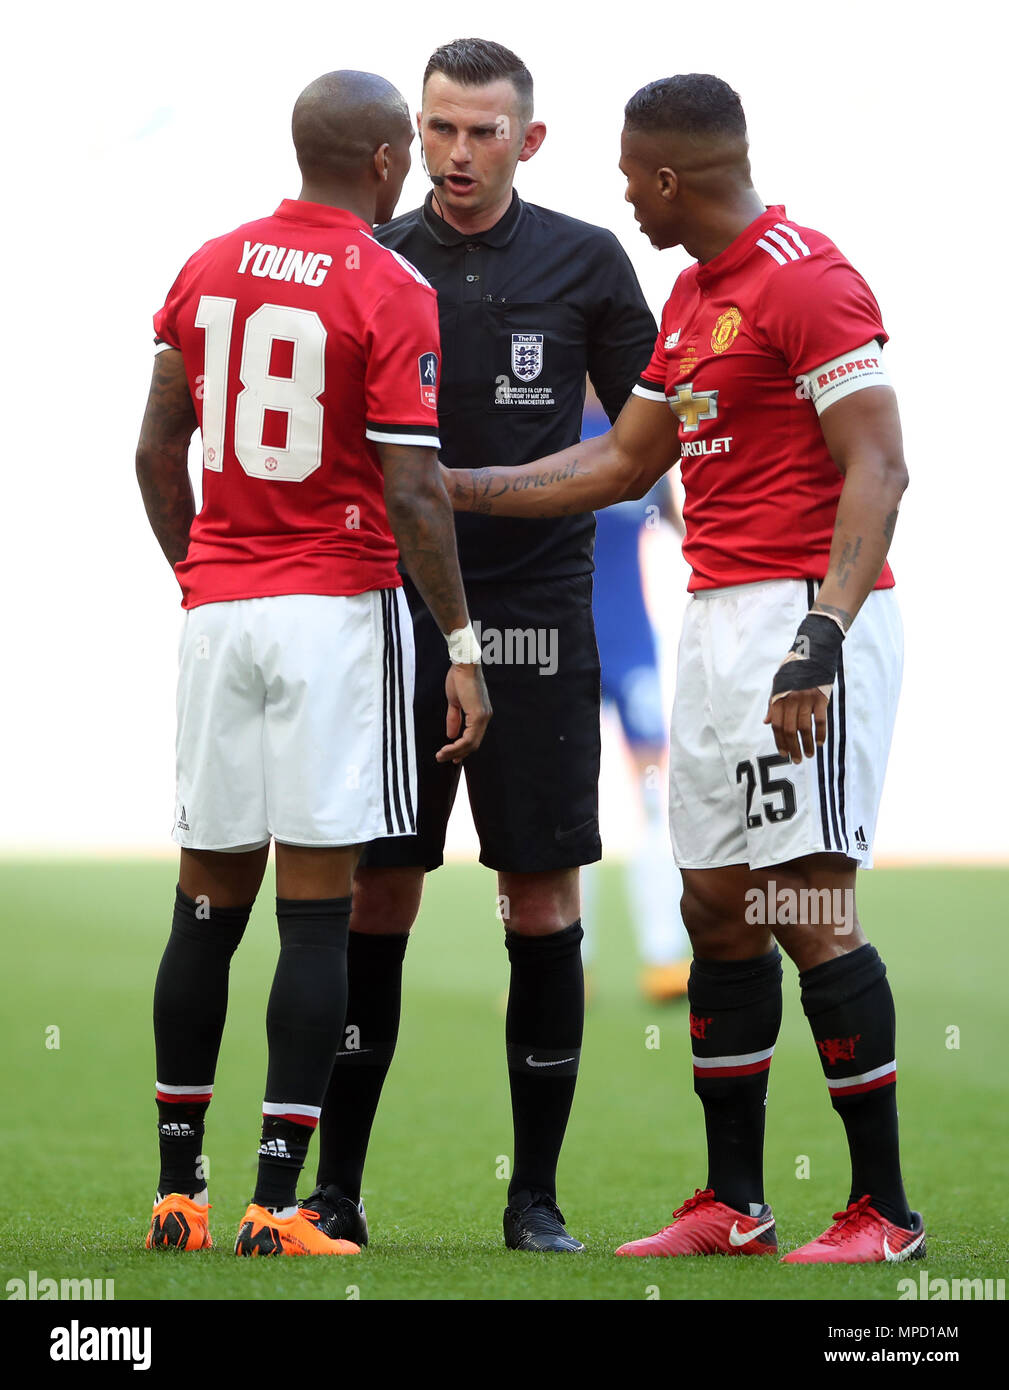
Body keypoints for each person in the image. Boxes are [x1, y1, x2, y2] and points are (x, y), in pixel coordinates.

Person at [444, 73, 922, 1264]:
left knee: (806, 903)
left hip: (798, 623)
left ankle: (884, 1213)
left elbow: (879, 465)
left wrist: (821, 632)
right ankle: (735, 1203)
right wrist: (446, 487)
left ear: (669, 177)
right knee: (716, 906)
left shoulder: (807, 277)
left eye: (626, 172)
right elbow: (616, 463)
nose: (617, 191)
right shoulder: (695, 294)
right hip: (711, 619)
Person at [303, 38, 657, 1254]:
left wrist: (486, 489)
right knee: (376, 891)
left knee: (539, 895)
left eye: (482, 133)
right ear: (412, 133)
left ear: (529, 140)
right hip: (389, 618)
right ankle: (334, 1189)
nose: (457, 155)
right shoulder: (374, 257)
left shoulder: (588, 262)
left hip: (540, 621)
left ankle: (535, 1199)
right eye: (439, 130)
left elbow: (649, 439)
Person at [135, 69, 490, 1258]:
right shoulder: (390, 284)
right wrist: (460, 642)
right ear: (389, 159)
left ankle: (177, 1193)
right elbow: (412, 490)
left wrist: (202, 573)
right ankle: (278, 1204)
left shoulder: (205, 263)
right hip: (331, 613)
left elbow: (154, 449)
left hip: (219, 611)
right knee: (317, 919)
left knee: (203, 907)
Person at [580, 385, 691, 1002]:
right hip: (567, 643)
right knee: (572, 802)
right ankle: (573, 965)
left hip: (631, 643)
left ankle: (664, 958)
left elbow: (685, 529)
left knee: (653, 799)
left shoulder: (643, 437)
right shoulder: (553, 425)